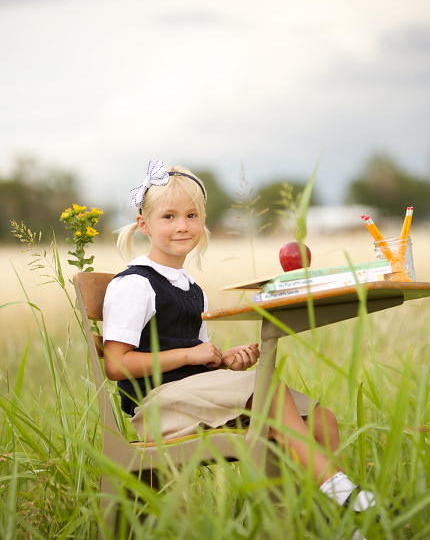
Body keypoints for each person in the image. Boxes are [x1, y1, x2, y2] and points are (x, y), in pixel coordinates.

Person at [102, 161, 375, 513]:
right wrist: (190, 356)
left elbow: (193, 359)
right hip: (158, 406)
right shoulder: (135, 284)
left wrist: (221, 359)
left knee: (321, 419)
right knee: (268, 392)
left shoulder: (191, 289)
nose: (182, 226)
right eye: (168, 217)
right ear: (144, 225)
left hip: (191, 395)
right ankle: (352, 503)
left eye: (192, 215)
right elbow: (116, 364)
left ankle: (323, 520)